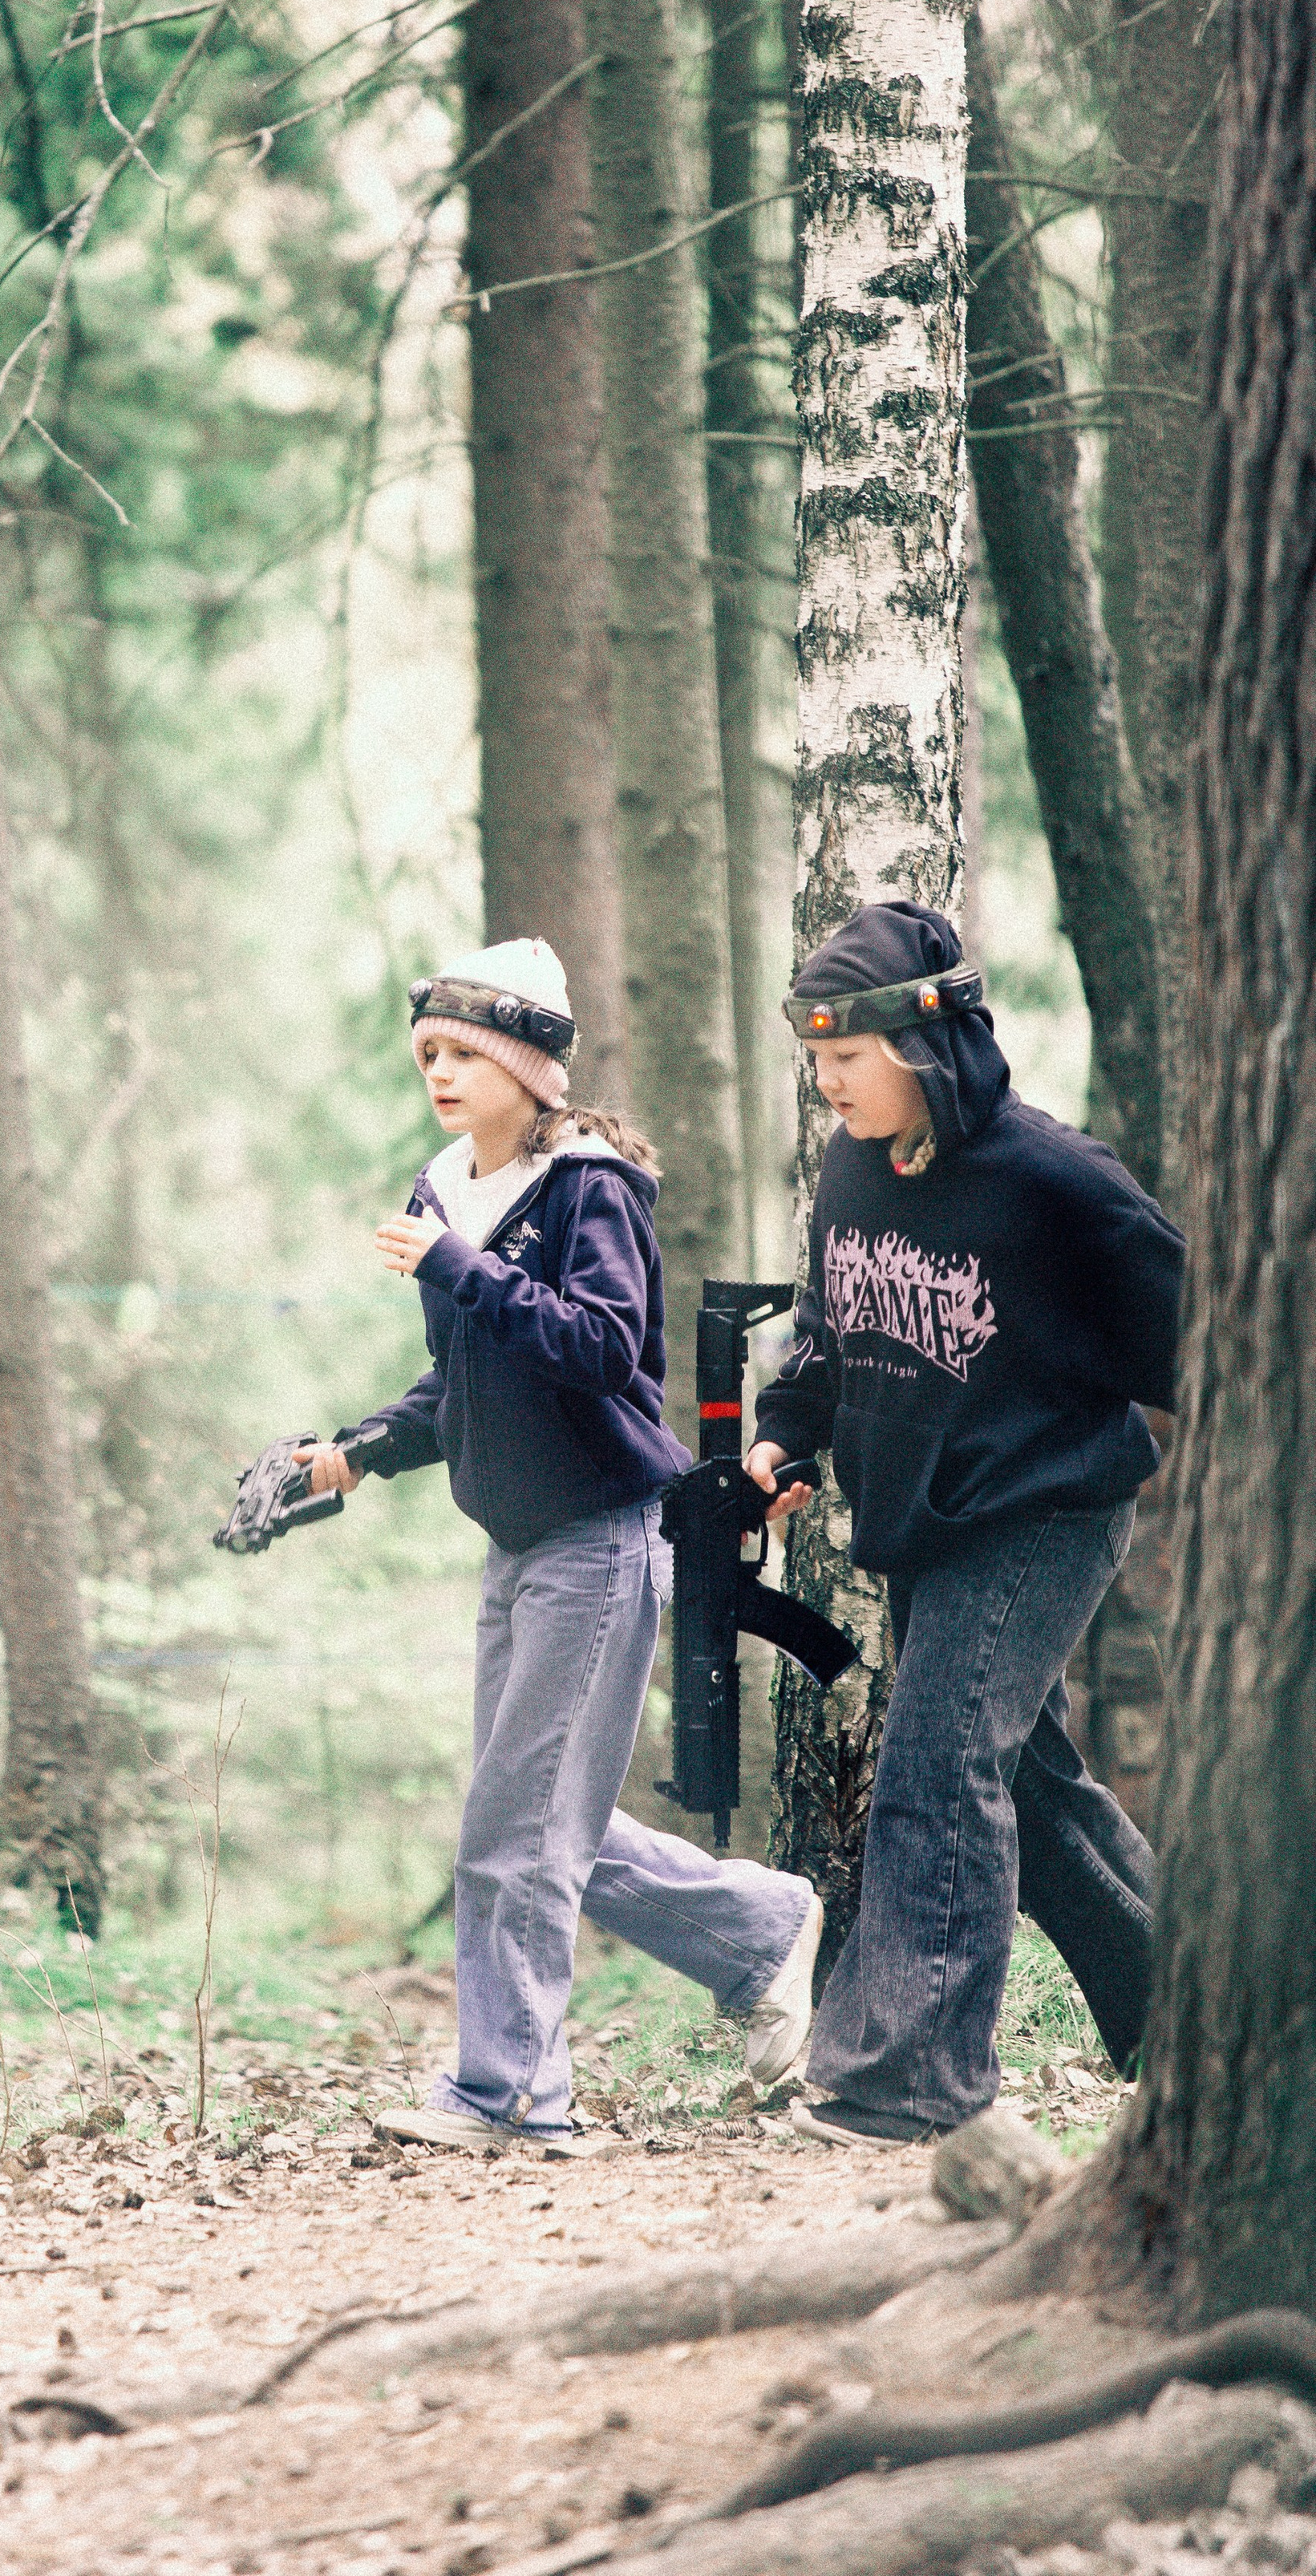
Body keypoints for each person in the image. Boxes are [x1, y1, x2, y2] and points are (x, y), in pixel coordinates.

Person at [298, 938, 822, 2156]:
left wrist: (462, 1267)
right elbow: (463, 1381)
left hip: (599, 1540)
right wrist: (356, 1451)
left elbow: (600, 1350)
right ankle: (758, 1929)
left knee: (515, 1825)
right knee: (534, 1813)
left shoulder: (589, 1188)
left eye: (465, 1055)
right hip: (515, 1545)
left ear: (531, 1070)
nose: (439, 1073)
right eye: (427, 1052)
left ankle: (512, 2095)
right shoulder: (445, 1195)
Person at [747, 900, 1180, 2151]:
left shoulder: (1058, 1183)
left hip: (1045, 1514)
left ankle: (915, 2086)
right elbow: (830, 1339)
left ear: (926, 1045)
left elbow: (1212, 1335)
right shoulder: (849, 1170)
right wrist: (782, 1437)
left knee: (938, 1774)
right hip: (930, 1527)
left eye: (845, 1060)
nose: (826, 1083)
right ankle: (1201, 2030)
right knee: (1034, 1801)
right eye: (816, 1061)